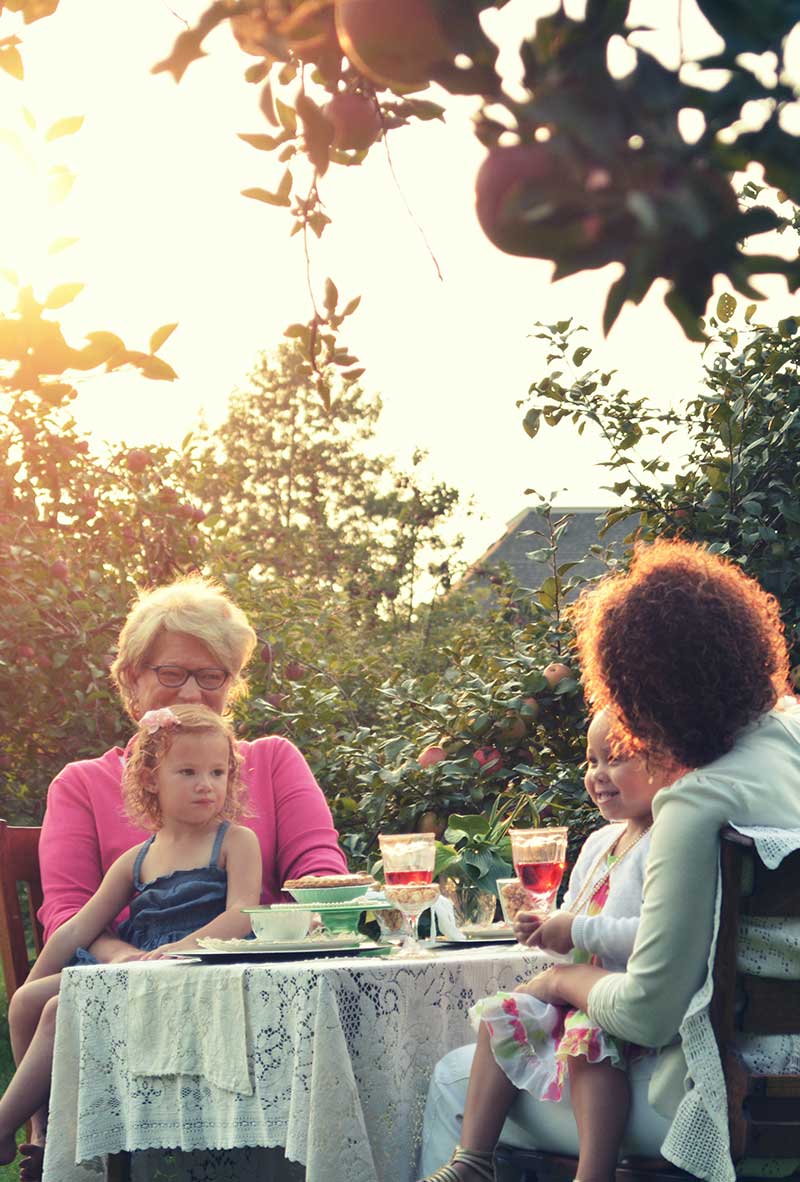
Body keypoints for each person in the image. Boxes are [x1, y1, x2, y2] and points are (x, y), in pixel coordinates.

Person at [421, 539, 800, 1181]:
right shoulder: (789, 742)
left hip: (724, 1101)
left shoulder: (697, 802)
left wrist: (557, 981)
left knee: (452, 1080)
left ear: (646, 694)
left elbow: (647, 1014)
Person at [31, 576, 347, 1173]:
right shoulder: (80, 784)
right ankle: (49, 1147)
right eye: (173, 673)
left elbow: (321, 876)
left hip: (255, 989)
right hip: (129, 997)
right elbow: (67, 915)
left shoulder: (272, 761)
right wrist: (128, 959)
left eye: (213, 676)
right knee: (40, 1005)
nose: (195, 692)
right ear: (131, 678)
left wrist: (252, 940)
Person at [420, 708, 680, 1182]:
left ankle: (593, 1173)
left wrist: (575, 930)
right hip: (580, 991)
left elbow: (654, 934)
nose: (598, 775)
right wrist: (548, 934)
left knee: (587, 1042)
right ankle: (472, 1160)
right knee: (502, 1013)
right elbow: (573, 943)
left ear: (666, 761)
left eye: (615, 759)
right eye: (591, 761)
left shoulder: (667, 840)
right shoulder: (601, 842)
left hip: (622, 1000)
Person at [3, 704, 263, 1178]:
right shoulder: (137, 858)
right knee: (26, 1003)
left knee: (61, 1010)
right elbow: (81, 927)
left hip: (199, 972)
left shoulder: (234, 841)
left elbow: (242, 914)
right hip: (139, 971)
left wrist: (180, 949)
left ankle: (3, 1123)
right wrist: (36, 978)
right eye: (187, 771)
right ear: (150, 779)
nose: (206, 784)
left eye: (217, 771)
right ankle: (42, 1131)